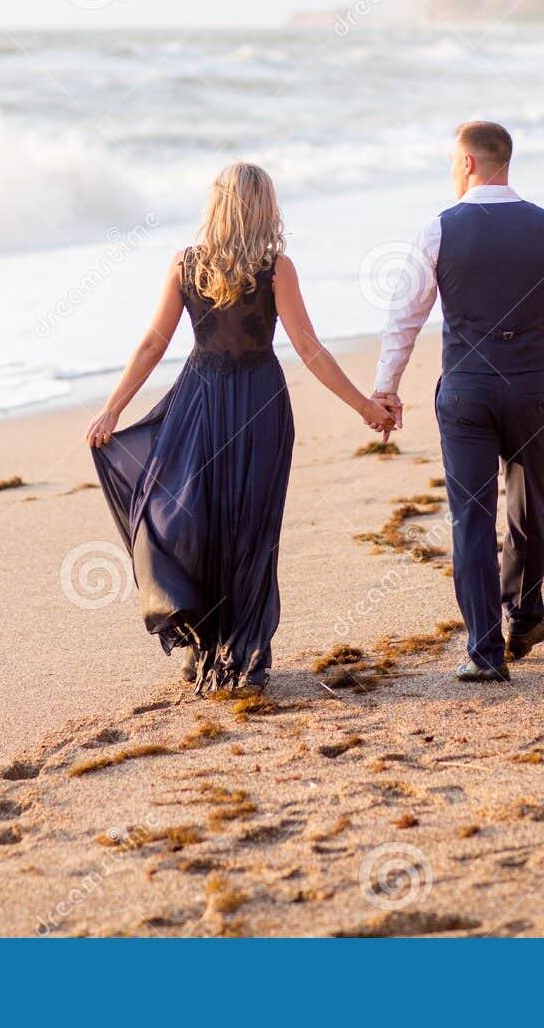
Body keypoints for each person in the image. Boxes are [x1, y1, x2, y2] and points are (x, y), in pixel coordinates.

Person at [87, 162, 395, 692]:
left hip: (201, 400)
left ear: (217, 205)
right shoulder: (276, 267)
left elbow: (153, 344)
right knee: (251, 528)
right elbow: (308, 348)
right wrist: (362, 404)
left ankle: (210, 643)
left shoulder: (187, 264)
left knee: (191, 517)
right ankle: (242, 651)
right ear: (264, 207)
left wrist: (114, 407)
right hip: (258, 404)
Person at [372, 121, 544, 682]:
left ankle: (483, 651)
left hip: (467, 390)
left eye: (453, 161)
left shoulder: (439, 230)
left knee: (471, 519)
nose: (452, 171)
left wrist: (387, 387)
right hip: (530, 387)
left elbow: (405, 319)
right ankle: (524, 615)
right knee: (529, 506)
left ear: (469, 163)